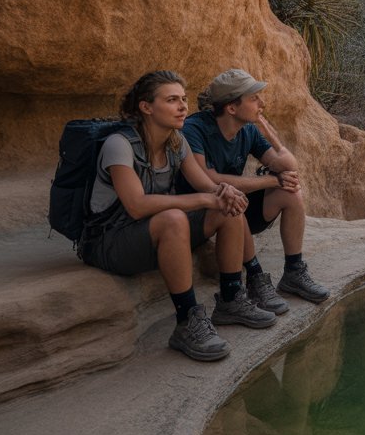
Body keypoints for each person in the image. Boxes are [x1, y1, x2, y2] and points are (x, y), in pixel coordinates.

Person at [79, 70, 279, 362]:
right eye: (172, 100)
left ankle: (231, 298)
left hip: (150, 233)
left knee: (226, 208)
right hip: (110, 241)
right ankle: (187, 321)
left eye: (184, 99)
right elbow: (136, 206)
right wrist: (205, 198)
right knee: (174, 217)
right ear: (146, 107)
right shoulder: (119, 145)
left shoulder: (176, 142)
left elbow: (206, 185)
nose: (183, 106)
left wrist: (223, 192)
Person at [177, 68, 330, 309]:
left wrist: (267, 130)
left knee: (290, 191)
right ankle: (255, 277)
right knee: (235, 199)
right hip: (201, 211)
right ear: (231, 108)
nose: (262, 104)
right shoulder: (194, 129)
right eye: (254, 98)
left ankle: (293, 272)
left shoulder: (248, 129)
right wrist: (271, 181)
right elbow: (210, 179)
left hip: (232, 204)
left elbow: (289, 166)